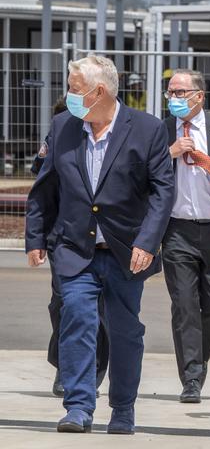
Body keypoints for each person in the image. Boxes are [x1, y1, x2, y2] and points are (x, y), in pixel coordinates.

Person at [25, 55, 175, 435]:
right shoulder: (63, 127)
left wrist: (148, 241)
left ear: (99, 91)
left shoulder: (147, 129)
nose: (69, 95)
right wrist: (36, 237)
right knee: (76, 319)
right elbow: (45, 186)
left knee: (125, 332)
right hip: (74, 249)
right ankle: (78, 407)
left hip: (126, 253)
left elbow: (162, 192)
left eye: (74, 89)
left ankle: (122, 408)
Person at [162, 69, 210, 403]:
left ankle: (199, 360)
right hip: (177, 230)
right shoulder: (161, 131)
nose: (174, 99)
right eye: (170, 93)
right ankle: (191, 376)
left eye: (181, 92)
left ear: (199, 95)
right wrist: (170, 153)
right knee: (183, 305)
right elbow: (141, 173)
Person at [31, 96, 109, 398]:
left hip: (103, 238)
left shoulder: (112, 136)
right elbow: (41, 182)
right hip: (63, 237)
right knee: (64, 303)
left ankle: (88, 371)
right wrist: (36, 236)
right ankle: (66, 364)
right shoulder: (59, 135)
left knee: (97, 311)